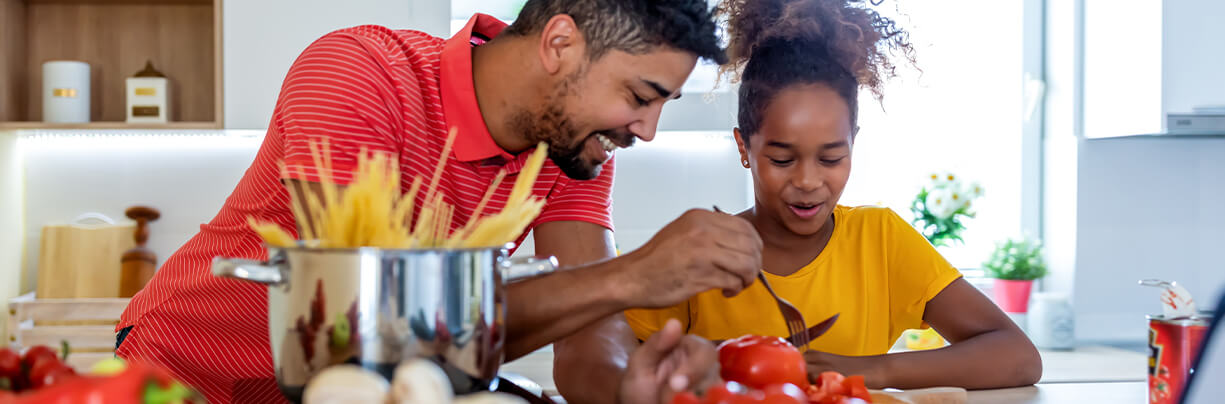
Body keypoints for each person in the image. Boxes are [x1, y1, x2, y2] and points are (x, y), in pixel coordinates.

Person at [115, 1, 763, 402]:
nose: (644, 131)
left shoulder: (572, 148)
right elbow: (363, 328)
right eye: (640, 96)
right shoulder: (358, 71)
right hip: (185, 379)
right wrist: (630, 275)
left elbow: (589, 334)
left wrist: (631, 387)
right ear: (559, 44)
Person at [564, 0, 1043, 396]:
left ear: (854, 142)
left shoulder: (883, 240)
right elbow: (619, 368)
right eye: (783, 159)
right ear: (743, 148)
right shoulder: (698, 256)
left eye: (831, 159)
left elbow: (1018, 356)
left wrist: (868, 370)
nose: (809, 181)